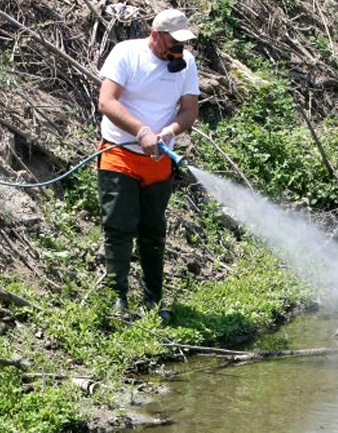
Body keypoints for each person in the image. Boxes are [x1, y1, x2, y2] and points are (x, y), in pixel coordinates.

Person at [96, 9, 200, 315]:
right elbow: (107, 101)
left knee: (153, 230)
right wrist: (141, 131)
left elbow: (189, 110)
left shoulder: (186, 65)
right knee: (119, 225)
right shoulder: (126, 53)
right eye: (174, 42)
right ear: (156, 35)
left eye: (183, 43)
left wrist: (167, 132)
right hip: (119, 152)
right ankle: (118, 299)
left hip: (158, 160)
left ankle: (154, 299)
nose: (179, 49)